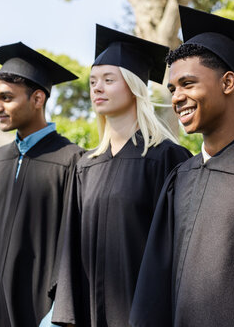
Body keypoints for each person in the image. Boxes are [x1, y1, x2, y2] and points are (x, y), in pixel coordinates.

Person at [130, 6, 234, 327]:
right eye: (173, 89)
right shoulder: (182, 178)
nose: (177, 97)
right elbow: (154, 287)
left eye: (188, 84)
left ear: (228, 82)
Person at [51, 25, 191, 326]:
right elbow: (70, 251)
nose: (96, 89)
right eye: (92, 82)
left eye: (108, 80)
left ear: (134, 86)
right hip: (90, 313)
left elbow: (179, 251)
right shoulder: (86, 166)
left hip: (146, 314)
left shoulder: (167, 158)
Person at [0, 42, 83, 327]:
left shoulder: (74, 161)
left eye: (6, 98)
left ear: (37, 99)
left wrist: (54, 321)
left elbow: (73, 250)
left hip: (41, 316)